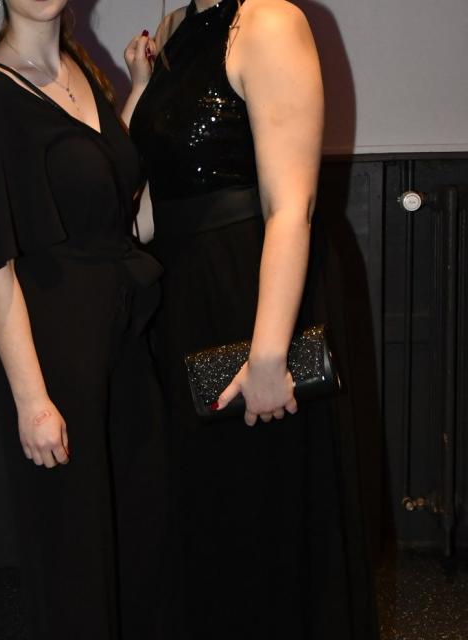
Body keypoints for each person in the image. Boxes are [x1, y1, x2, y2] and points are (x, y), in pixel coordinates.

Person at [125, 1, 379, 638]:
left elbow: (291, 206)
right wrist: (139, 87)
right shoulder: (175, 30)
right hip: (183, 302)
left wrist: (267, 360)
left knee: (261, 511)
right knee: (205, 517)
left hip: (250, 299)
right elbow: (151, 200)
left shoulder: (270, 20)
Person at [0, 1, 168, 638]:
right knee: (76, 555)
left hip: (123, 338)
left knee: (139, 533)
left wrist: (141, 89)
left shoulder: (81, 70)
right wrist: (32, 401)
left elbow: (113, 197)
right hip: (55, 360)